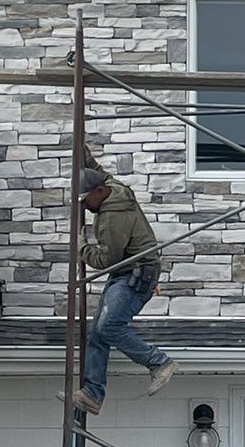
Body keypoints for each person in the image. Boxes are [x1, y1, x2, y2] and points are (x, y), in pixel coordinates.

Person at [58, 148, 177, 415]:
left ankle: (159, 363)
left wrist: (81, 247)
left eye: (84, 200)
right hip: (127, 272)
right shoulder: (111, 186)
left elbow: (106, 261)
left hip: (136, 275)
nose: (83, 207)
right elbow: (94, 169)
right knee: (98, 333)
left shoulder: (112, 218)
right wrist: (81, 148)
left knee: (109, 326)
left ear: (98, 193)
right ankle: (92, 394)